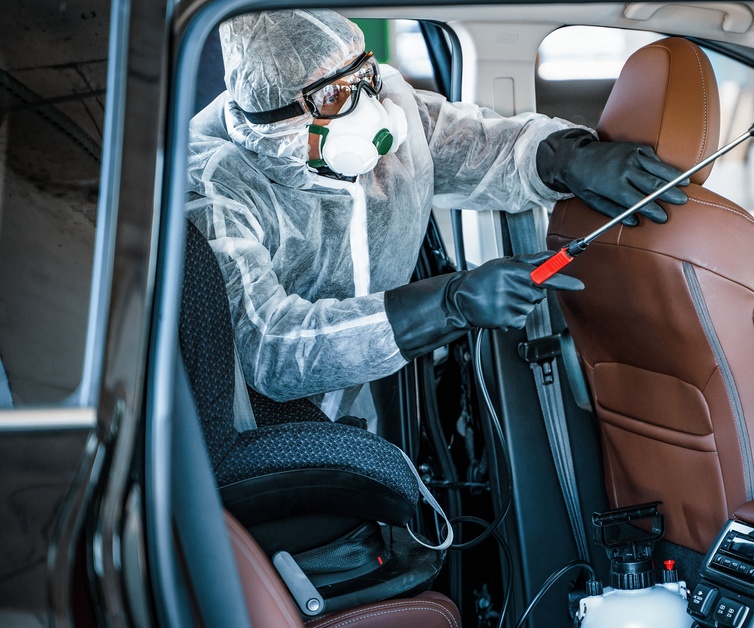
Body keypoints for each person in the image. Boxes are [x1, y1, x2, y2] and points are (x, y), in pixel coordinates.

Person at [187, 9, 688, 418]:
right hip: (255, 432)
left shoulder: (393, 105)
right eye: (334, 95)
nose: (369, 106)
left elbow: (481, 148)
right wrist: (451, 303)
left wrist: (567, 157)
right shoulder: (214, 185)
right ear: (278, 117)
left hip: (363, 406)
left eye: (363, 74)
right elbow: (271, 345)